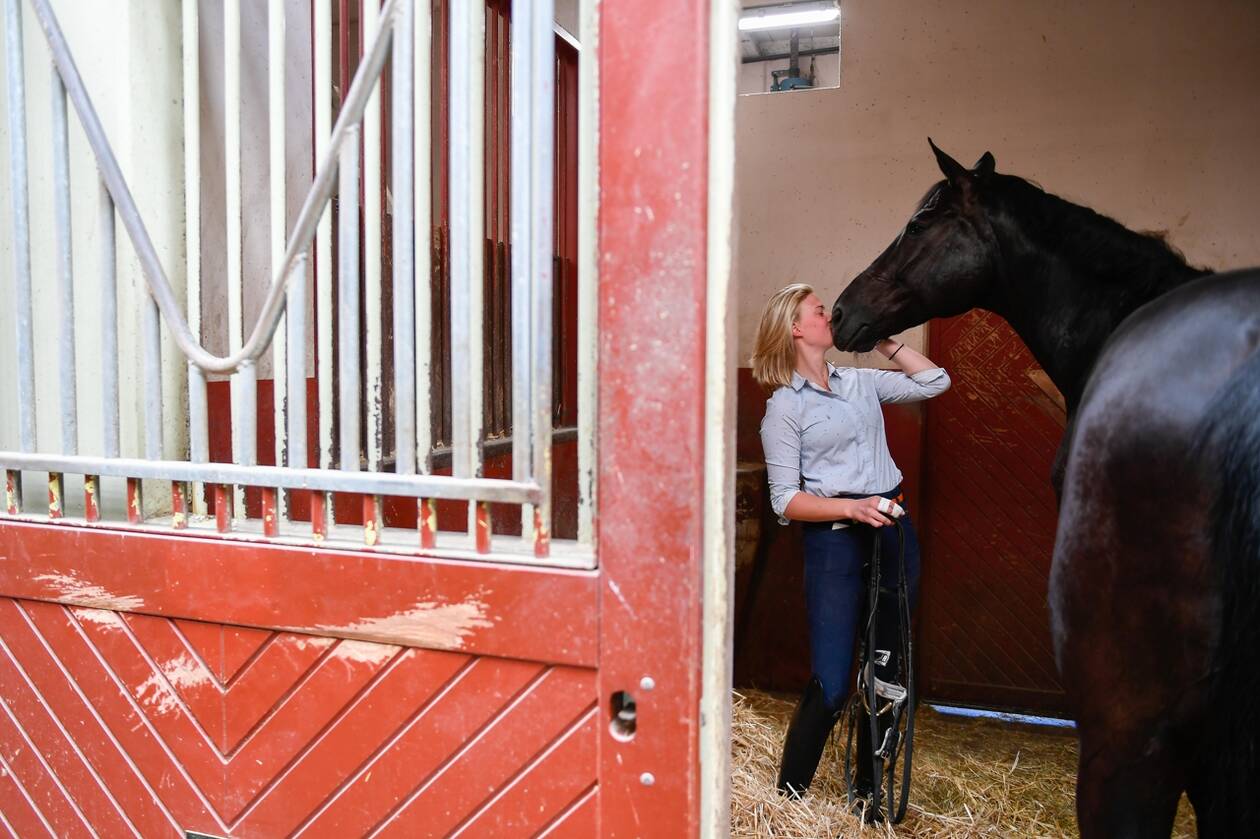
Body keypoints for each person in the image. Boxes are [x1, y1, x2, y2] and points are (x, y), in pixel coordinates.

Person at [751, 283, 951, 814]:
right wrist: (850, 508)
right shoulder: (784, 409)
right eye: (819, 310)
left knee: (883, 671)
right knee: (835, 678)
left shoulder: (861, 381)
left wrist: (882, 339)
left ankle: (870, 793)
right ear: (797, 329)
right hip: (836, 542)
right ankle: (788, 798)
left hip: (891, 530)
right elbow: (785, 500)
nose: (830, 314)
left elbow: (935, 380)